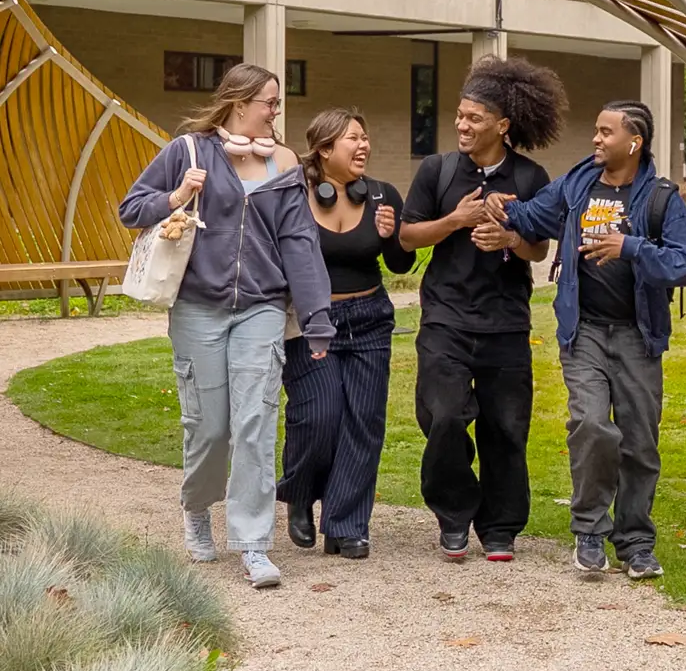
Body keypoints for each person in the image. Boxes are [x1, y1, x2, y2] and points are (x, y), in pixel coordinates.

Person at [119, 63, 334, 590]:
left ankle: (254, 543)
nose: (276, 111)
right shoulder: (189, 152)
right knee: (210, 427)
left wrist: (318, 317)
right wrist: (173, 197)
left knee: (255, 423)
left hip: (261, 306)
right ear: (239, 102)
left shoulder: (281, 164)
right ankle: (197, 506)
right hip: (198, 306)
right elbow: (130, 208)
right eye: (270, 101)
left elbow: (300, 245)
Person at [493, 100, 686, 580]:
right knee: (590, 424)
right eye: (596, 130)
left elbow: (684, 263)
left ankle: (635, 543)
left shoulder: (660, 198)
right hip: (582, 330)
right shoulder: (578, 184)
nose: (596, 139)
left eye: (606, 132)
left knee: (640, 444)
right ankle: (589, 530)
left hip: (637, 336)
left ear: (634, 141)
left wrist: (629, 246)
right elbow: (530, 219)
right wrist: (501, 207)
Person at [398, 55, 566, 563]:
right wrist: (456, 219)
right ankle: (453, 514)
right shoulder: (439, 169)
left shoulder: (532, 176)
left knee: (507, 428)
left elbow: (539, 249)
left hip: (506, 322)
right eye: (459, 115)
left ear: (502, 124)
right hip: (446, 318)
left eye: (473, 118)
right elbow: (407, 238)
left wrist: (509, 238)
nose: (461, 125)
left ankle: (500, 527)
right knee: (445, 416)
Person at [277, 108, 416, 560]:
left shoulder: (380, 195)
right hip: (310, 322)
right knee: (318, 415)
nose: (363, 146)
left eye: (365, 137)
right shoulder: (294, 194)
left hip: (369, 317)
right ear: (323, 150)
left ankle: (346, 525)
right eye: (352, 139)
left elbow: (400, 265)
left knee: (363, 422)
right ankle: (300, 493)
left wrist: (393, 235)